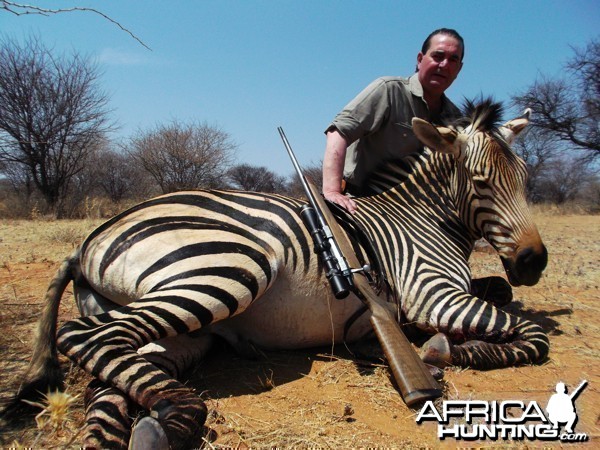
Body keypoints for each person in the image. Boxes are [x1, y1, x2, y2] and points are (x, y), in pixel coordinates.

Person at [322, 28, 465, 213]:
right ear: (420, 59)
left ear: (459, 69)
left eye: (453, 59)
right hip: (361, 201)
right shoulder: (388, 90)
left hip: (417, 211)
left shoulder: (457, 119)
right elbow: (338, 133)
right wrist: (332, 191)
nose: (444, 65)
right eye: (438, 56)